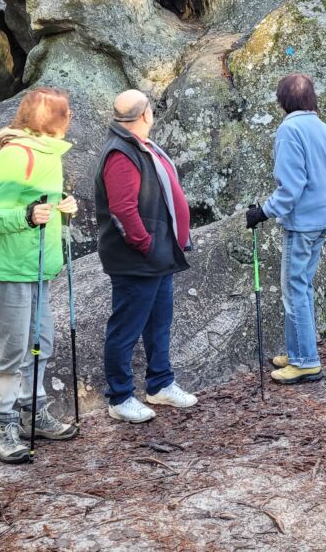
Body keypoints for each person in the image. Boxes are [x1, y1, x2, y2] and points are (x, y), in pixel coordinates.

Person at [0, 87, 80, 464]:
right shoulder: (15, 157)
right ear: (53, 119)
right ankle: (2, 424)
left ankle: (34, 410)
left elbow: (37, 204)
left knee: (40, 341)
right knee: (13, 348)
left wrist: (63, 208)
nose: (71, 117)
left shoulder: (50, 154)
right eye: (66, 112)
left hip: (35, 267)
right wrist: (26, 217)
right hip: (6, 268)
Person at [94, 89, 198, 423]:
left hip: (158, 257)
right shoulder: (120, 153)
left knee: (158, 323)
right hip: (138, 261)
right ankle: (120, 397)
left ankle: (160, 384)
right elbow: (123, 210)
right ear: (146, 114)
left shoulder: (140, 146)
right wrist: (146, 245)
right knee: (126, 328)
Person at [245, 73, 326, 385]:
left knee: (295, 289)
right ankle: (298, 350)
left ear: (283, 102)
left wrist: (262, 211)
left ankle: (305, 361)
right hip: (325, 219)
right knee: (302, 285)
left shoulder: (289, 129)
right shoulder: (323, 127)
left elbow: (290, 188)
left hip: (303, 224)